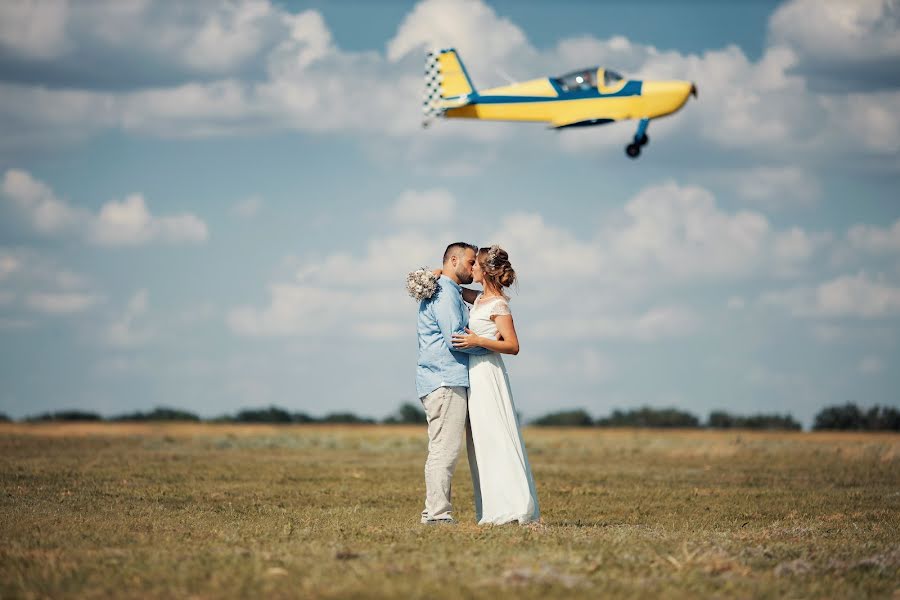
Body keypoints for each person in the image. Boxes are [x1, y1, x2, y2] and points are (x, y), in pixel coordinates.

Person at [450, 245, 540, 525]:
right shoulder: (478, 299)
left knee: (496, 436)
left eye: (474, 264)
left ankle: (512, 506)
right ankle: (493, 507)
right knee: (483, 443)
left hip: (488, 373)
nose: (470, 269)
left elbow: (512, 346)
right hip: (473, 375)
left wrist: (478, 341)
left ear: (485, 270)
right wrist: (431, 276)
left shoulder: (499, 305)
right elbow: (452, 286)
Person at [415, 242, 489, 525]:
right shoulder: (445, 292)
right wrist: (492, 348)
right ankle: (436, 515)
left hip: (442, 377)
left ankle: (435, 513)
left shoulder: (447, 289)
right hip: (445, 379)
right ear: (453, 260)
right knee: (444, 450)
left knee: (443, 448)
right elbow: (456, 338)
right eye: (471, 262)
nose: (474, 268)